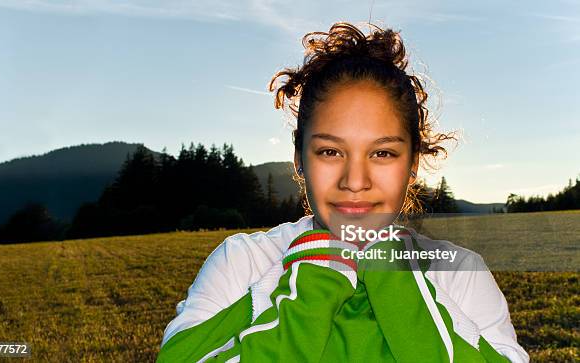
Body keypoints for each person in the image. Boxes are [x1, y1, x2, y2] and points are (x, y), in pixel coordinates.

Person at [156, 21, 530, 362]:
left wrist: (395, 278)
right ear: (299, 158)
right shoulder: (242, 262)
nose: (355, 180)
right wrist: (314, 276)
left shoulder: (461, 272)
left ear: (412, 162)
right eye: (330, 151)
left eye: (382, 153)